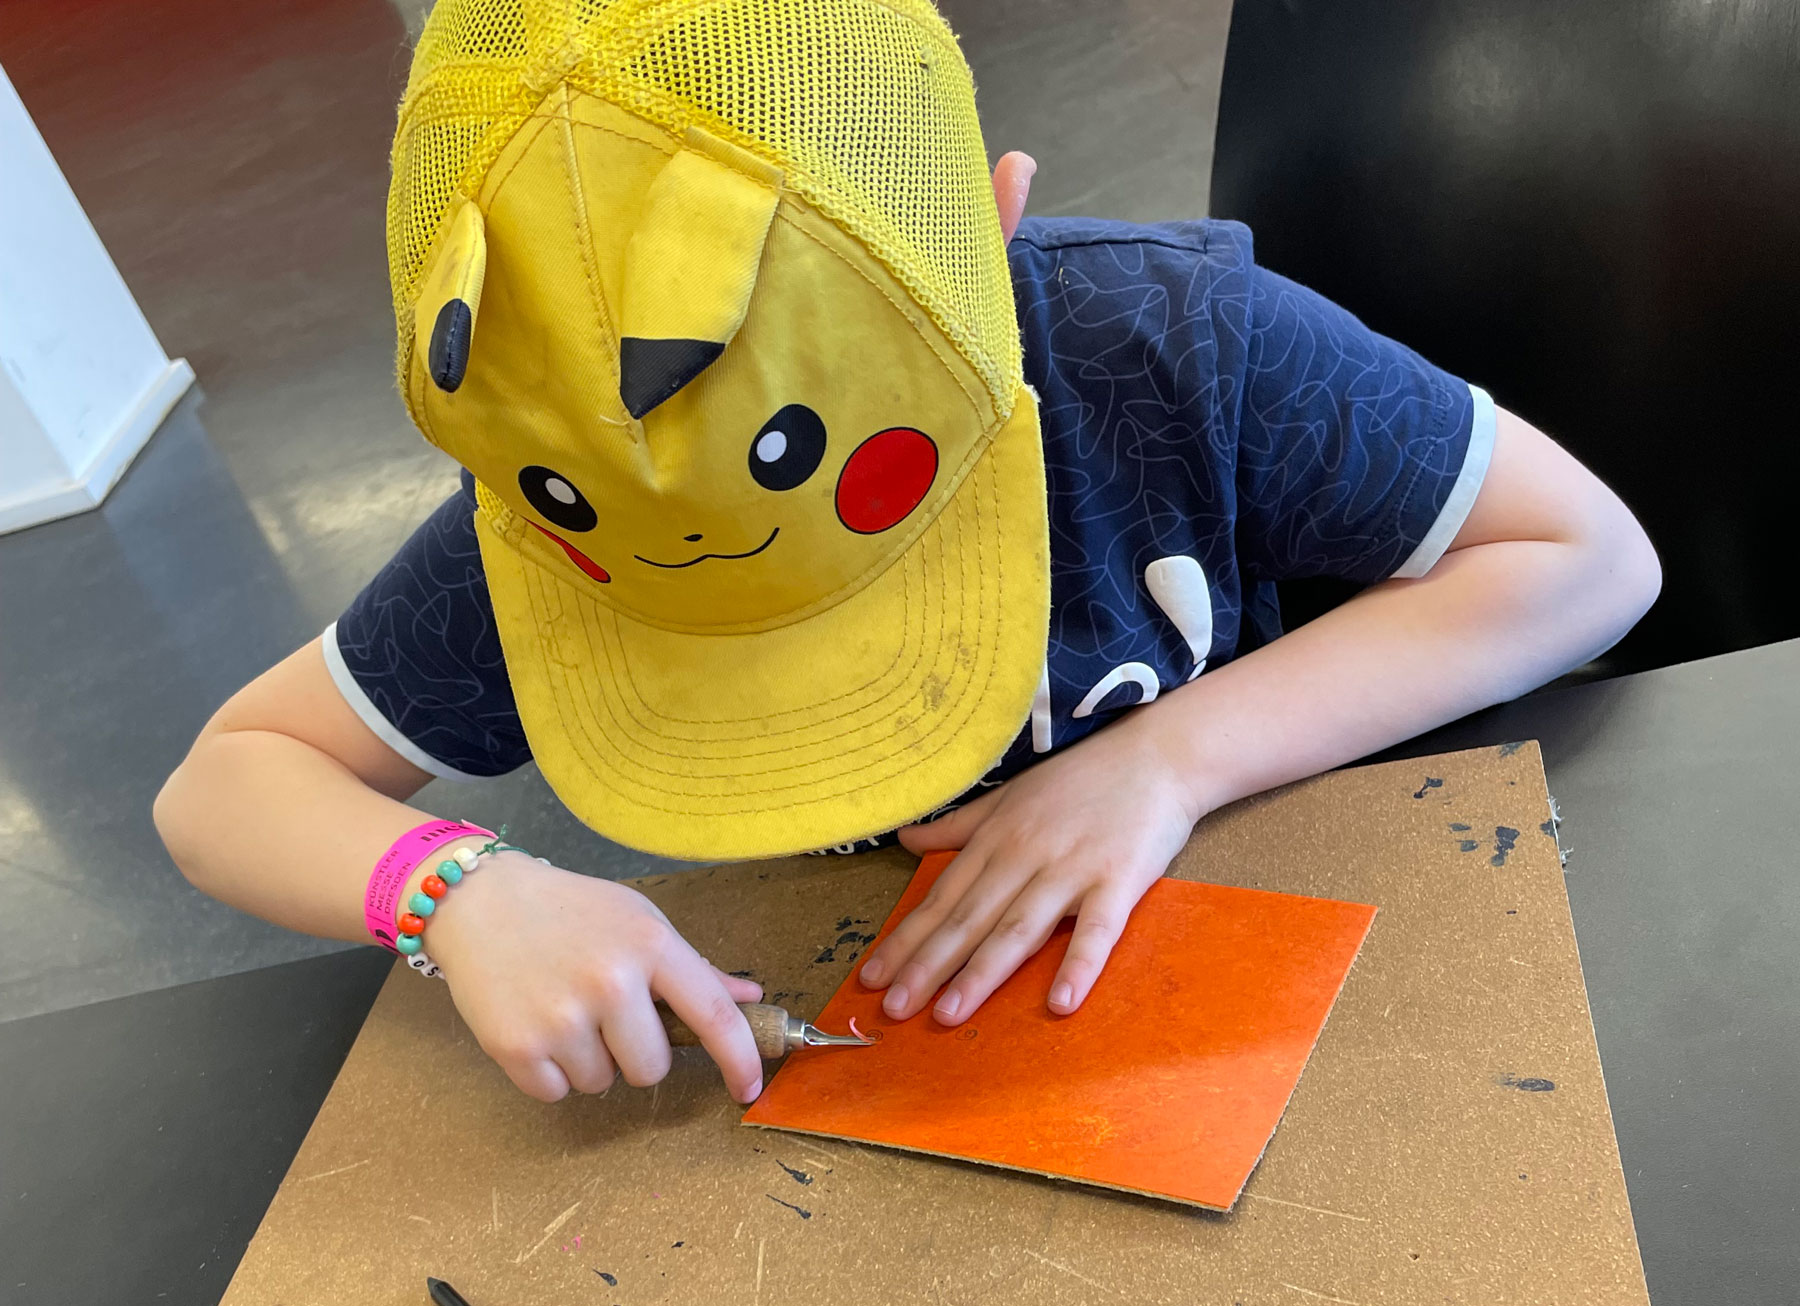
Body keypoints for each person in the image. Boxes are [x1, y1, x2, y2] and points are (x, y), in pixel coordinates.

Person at [154, 0, 1659, 1113]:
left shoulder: (1166, 348)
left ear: (990, 227)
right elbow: (226, 783)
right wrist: (456, 892)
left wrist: (1169, 761)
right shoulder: (569, 509)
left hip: (1268, 988)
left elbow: (1589, 557)